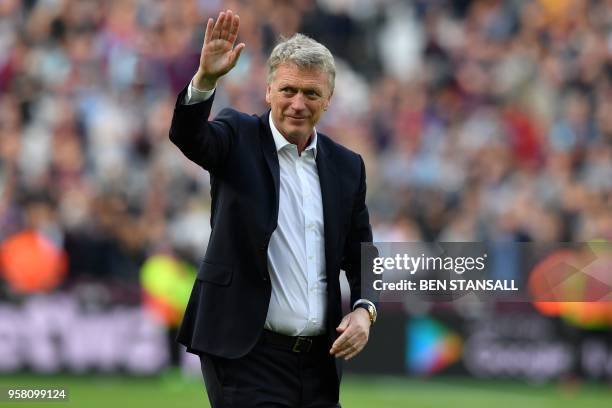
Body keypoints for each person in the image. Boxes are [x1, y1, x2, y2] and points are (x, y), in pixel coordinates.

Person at [170, 9, 377, 408]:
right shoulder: (237, 135)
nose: (298, 103)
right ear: (268, 92)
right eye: (288, 90)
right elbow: (188, 135)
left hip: (319, 361)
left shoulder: (347, 166)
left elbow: (364, 254)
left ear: (328, 101)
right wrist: (205, 80)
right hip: (246, 356)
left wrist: (365, 311)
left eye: (311, 93)